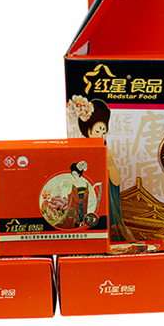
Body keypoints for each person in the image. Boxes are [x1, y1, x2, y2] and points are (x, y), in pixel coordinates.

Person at [74, 98, 134, 241]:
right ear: (89, 131)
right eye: (97, 131)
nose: (101, 135)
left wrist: (109, 164)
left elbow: (115, 181)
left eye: (104, 131)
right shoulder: (81, 152)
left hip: (105, 194)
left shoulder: (106, 153)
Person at [59, 161, 90, 229]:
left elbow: (69, 192)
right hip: (80, 202)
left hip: (79, 203)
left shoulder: (75, 183)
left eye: (75, 174)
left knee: (79, 214)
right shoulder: (84, 182)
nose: (73, 176)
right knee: (79, 215)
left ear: (79, 173)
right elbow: (69, 193)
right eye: (72, 174)